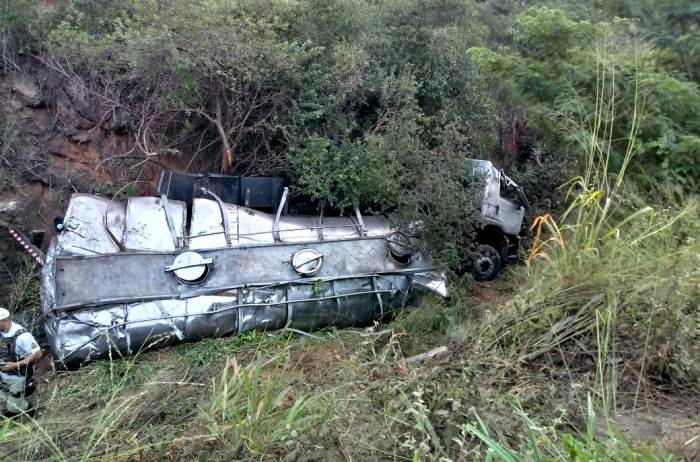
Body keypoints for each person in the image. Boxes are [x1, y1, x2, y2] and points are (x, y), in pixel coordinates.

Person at [0, 307, 42, 415]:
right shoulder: (2, 332)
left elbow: (38, 354)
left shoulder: (22, 336)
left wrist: (16, 364)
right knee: (3, 403)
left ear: (5, 321)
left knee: (13, 408)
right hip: (3, 374)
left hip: (18, 375)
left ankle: (30, 410)